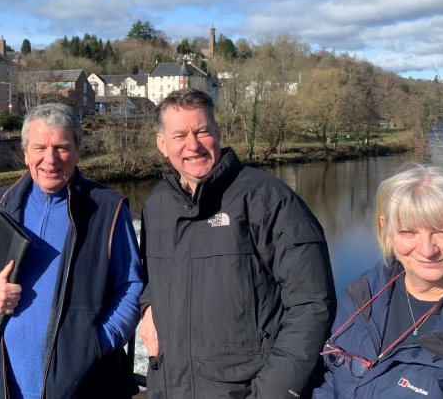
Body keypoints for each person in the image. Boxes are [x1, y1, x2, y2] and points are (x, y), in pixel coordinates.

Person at [138, 89, 336, 399]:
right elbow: (154, 277)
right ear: (162, 144)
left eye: (202, 131)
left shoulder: (269, 199)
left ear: (217, 132)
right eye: (179, 136)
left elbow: (312, 304)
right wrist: (148, 307)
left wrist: (272, 392)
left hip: (246, 390)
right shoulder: (157, 206)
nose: (193, 144)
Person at [0, 103, 143, 399]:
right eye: (39, 147)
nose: (50, 159)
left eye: (62, 148)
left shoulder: (108, 209)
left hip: (82, 383)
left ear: (78, 152)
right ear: (26, 153)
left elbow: (130, 287)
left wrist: (96, 342)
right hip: (1, 382)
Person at [312, 164, 443, 398]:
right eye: (408, 232)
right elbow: (333, 378)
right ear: (387, 229)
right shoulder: (362, 296)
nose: (427, 250)